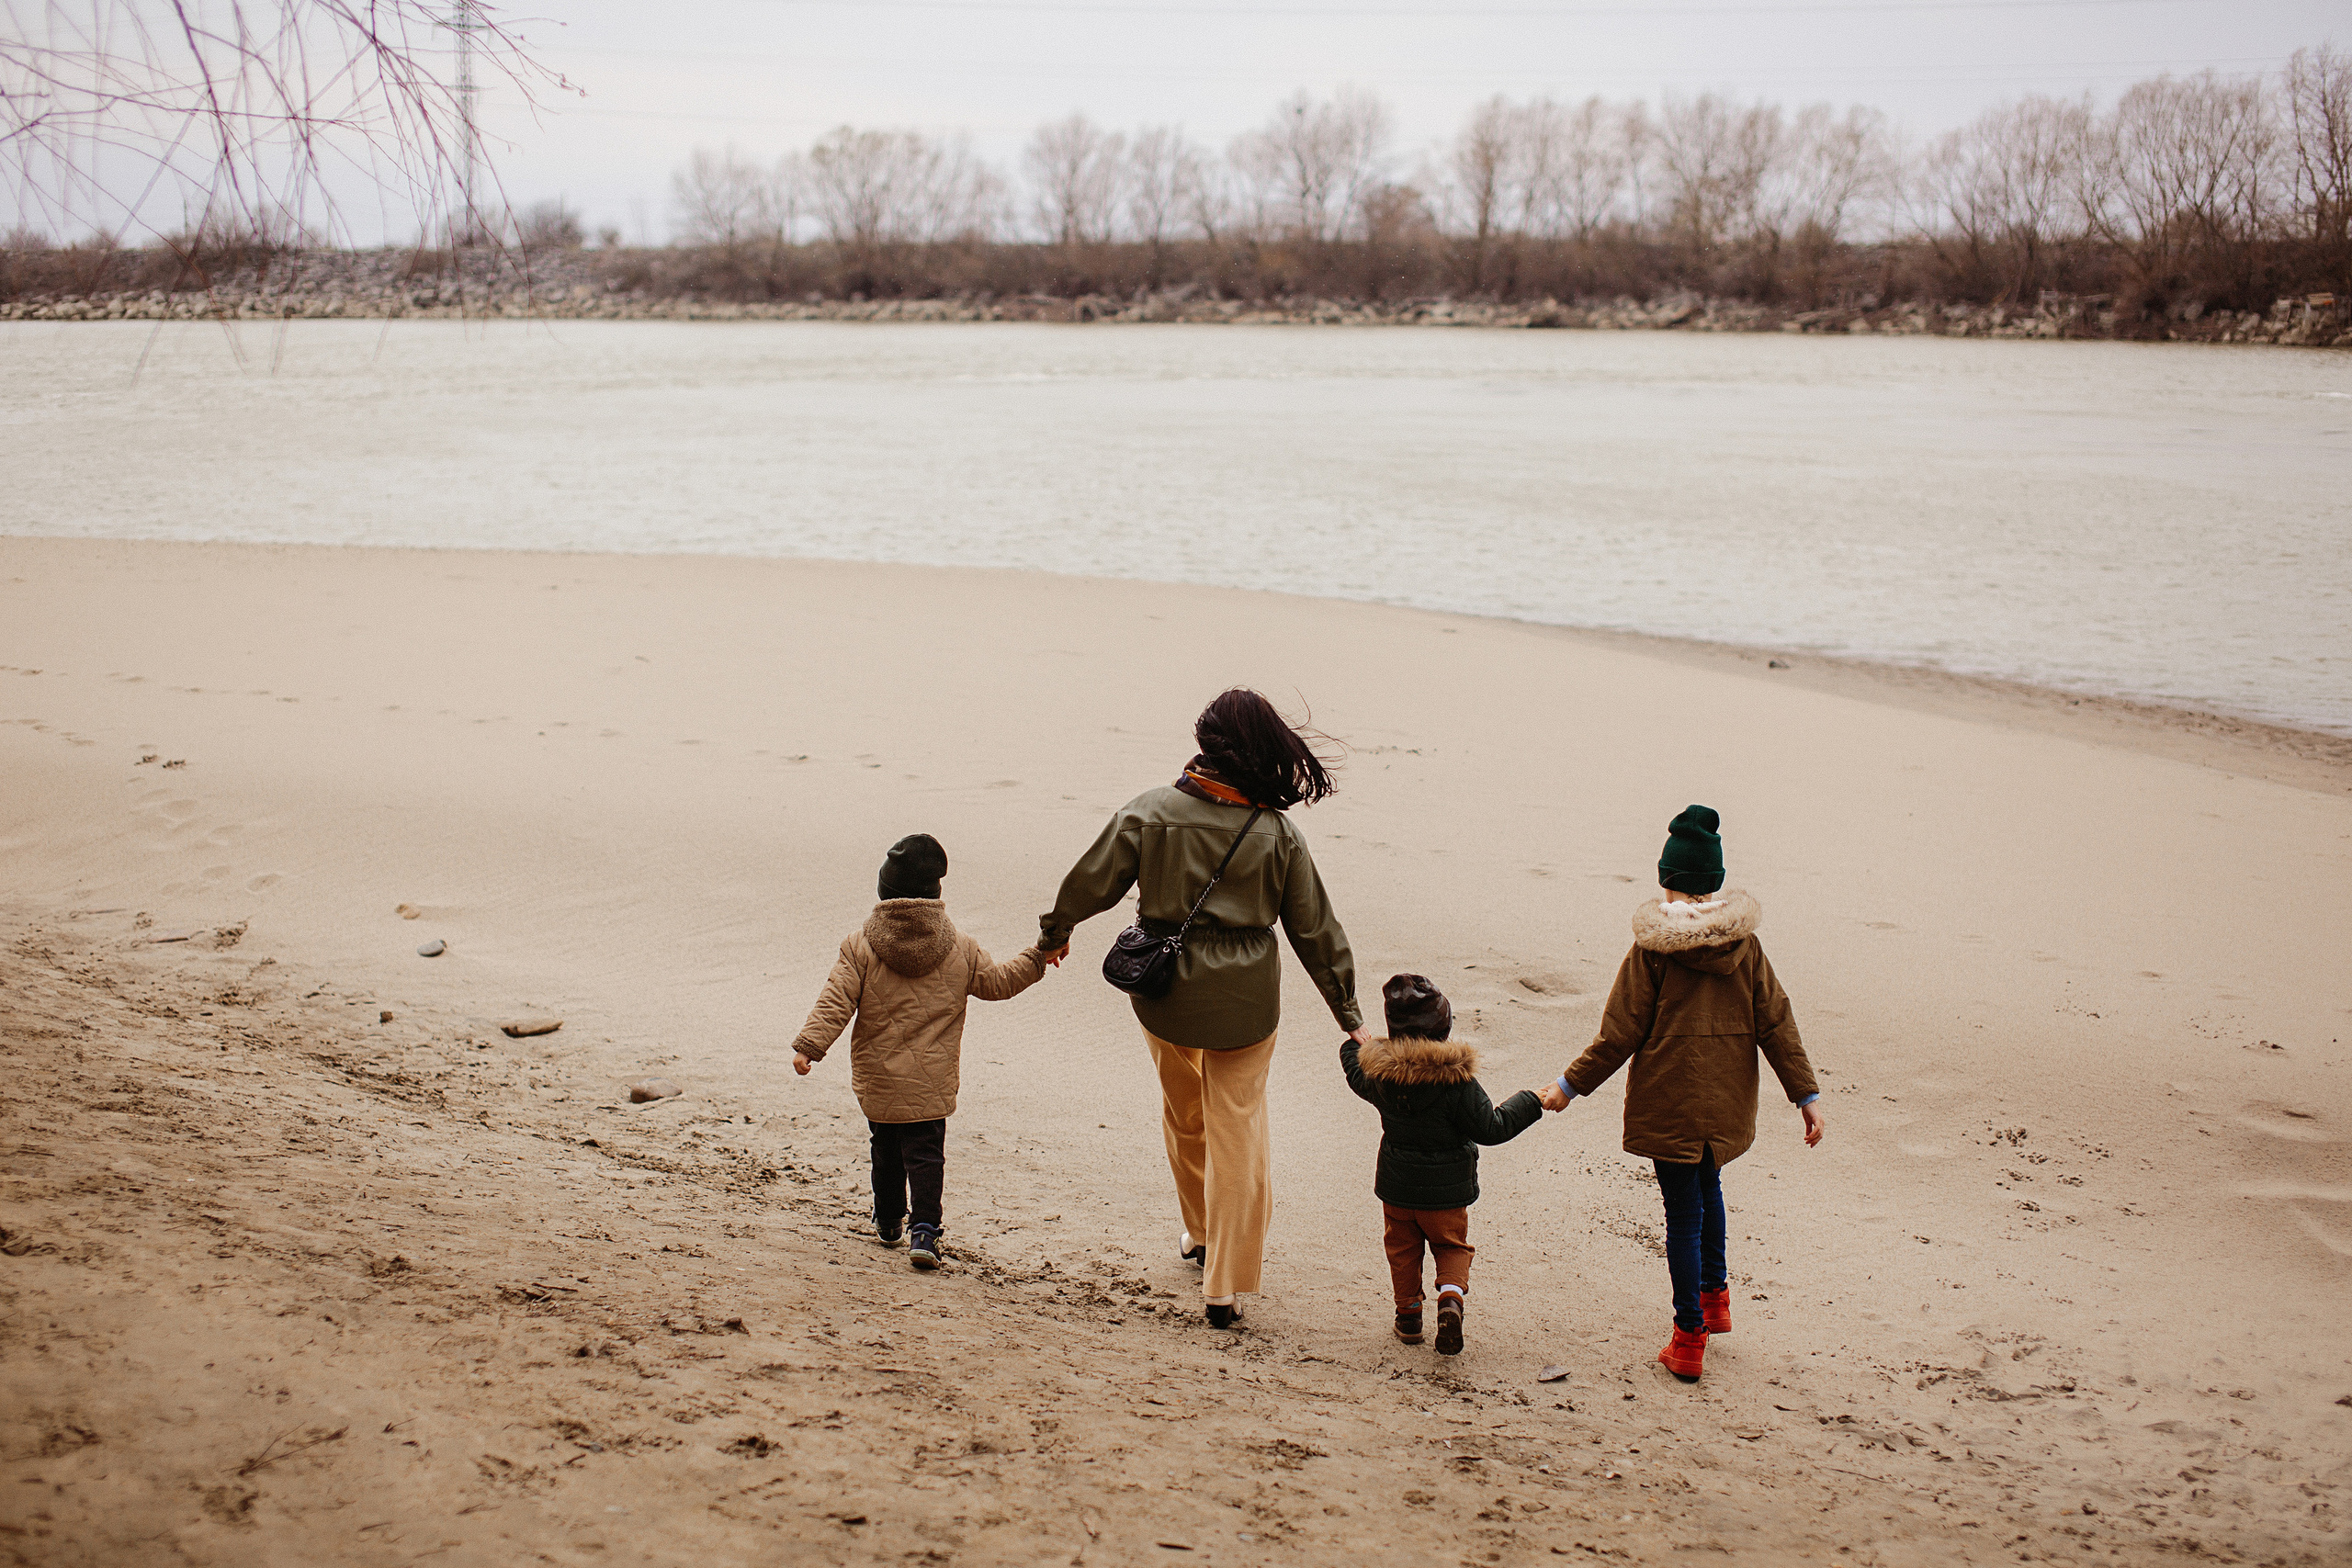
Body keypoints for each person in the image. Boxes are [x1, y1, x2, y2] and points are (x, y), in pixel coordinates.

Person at [1039, 688, 1364, 1328]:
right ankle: (1223, 1283)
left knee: (1185, 1111)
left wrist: (1056, 932)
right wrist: (1349, 1014)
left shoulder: (1152, 811)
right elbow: (1315, 931)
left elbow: (1090, 879)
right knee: (1237, 1126)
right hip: (1246, 1003)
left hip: (1165, 995)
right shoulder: (1276, 833)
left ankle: (1199, 1231)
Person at [1537, 805, 1825, 1382]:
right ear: (1715, 884)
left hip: (1670, 1103)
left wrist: (1569, 1086)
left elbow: (1620, 1033)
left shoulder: (1652, 951)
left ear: (1667, 882)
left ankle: (1688, 1335)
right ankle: (1715, 1301)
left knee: (1683, 1216)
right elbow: (1777, 1021)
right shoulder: (1748, 949)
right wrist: (1805, 1094)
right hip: (1726, 1104)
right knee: (1709, 1186)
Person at [792, 833, 1050, 1270]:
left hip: (879, 1076)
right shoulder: (960, 948)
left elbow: (835, 1000)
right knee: (927, 1154)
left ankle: (890, 1219)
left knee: (885, 1148)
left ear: (884, 892)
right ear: (935, 893)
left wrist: (809, 1047)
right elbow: (1000, 983)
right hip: (931, 1079)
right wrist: (1039, 956)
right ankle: (925, 1232)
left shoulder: (860, 946)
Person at [1341, 974, 1544, 1355]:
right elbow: (1493, 1127)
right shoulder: (1457, 1081)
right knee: (1451, 1247)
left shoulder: (1380, 1076)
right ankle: (1450, 1299)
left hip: (1397, 1187)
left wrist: (1362, 1042)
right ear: (1444, 1027)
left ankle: (1409, 1317)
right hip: (1448, 1191)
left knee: (1402, 1250)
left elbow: (1352, 1063)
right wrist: (1531, 1100)